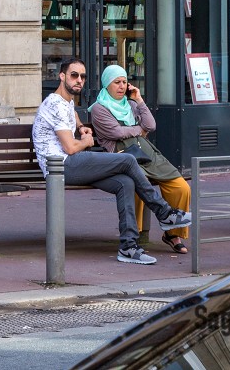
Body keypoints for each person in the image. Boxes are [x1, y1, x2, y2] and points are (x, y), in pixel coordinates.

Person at [32, 57, 192, 265]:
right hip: (61, 167)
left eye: (83, 76)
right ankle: (164, 212)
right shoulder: (54, 104)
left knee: (125, 183)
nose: (79, 80)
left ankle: (128, 246)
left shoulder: (65, 101)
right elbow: (71, 147)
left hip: (72, 164)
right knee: (127, 160)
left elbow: (70, 113)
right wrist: (86, 141)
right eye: (74, 75)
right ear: (61, 76)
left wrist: (80, 127)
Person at [88, 65, 192, 256]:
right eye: (116, 82)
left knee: (181, 187)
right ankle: (134, 237)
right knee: (134, 186)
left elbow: (151, 125)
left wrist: (139, 100)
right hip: (123, 156)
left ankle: (173, 234)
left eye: (124, 82)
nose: (121, 86)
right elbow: (116, 133)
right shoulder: (98, 109)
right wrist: (138, 130)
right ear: (106, 84)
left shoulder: (132, 104)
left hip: (147, 153)